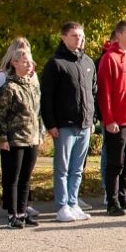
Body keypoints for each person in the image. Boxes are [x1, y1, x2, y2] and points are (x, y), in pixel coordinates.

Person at [41, 21, 96, 222]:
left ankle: (74, 203)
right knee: (62, 167)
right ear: (64, 38)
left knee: (77, 168)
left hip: (84, 124)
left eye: (81, 36)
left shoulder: (88, 63)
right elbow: (46, 96)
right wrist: (50, 123)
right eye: (74, 35)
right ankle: (62, 205)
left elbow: (93, 93)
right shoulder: (55, 63)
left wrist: (92, 119)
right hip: (64, 124)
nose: (79, 39)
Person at [97, 20, 126, 217]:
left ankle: (123, 198)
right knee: (115, 163)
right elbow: (104, 92)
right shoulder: (109, 58)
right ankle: (112, 201)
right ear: (118, 35)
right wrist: (109, 120)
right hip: (118, 122)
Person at [0, 43, 43, 228]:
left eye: (30, 62)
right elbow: (1, 115)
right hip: (14, 139)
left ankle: (23, 212)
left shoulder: (32, 86)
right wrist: (3, 139)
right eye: (24, 62)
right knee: (12, 179)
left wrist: (39, 133)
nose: (29, 65)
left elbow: (37, 112)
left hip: (31, 138)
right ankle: (12, 215)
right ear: (15, 63)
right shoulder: (9, 87)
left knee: (26, 178)